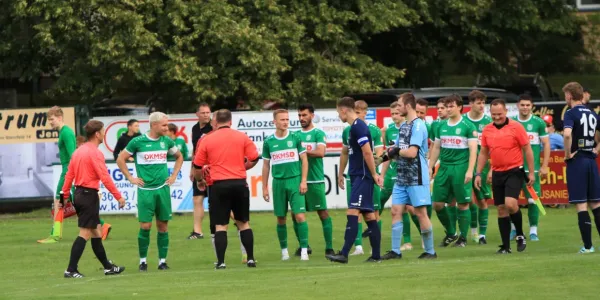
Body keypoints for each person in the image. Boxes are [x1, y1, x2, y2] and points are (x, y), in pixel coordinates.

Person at [116, 112, 184, 271]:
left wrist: (174, 175)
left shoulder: (166, 141)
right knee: (145, 226)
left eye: (167, 125)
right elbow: (121, 158)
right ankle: (143, 261)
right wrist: (130, 178)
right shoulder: (138, 141)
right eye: (164, 125)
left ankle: (162, 261)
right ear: (154, 125)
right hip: (145, 191)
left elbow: (179, 157)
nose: (167, 128)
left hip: (163, 190)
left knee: (163, 226)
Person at [194, 109, 259, 269]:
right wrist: (242, 167)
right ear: (230, 121)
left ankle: (221, 262)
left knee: (220, 226)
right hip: (239, 183)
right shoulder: (242, 136)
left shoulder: (207, 140)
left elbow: (197, 166)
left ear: (215, 123)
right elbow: (254, 158)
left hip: (219, 185)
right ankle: (250, 259)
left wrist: (200, 180)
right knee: (243, 223)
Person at [38, 106, 112, 244]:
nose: (50, 122)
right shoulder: (64, 132)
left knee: (59, 201)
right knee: (77, 205)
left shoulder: (66, 133)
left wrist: (72, 174)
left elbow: (74, 155)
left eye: (52, 119)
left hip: (68, 170)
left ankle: (55, 235)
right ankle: (103, 226)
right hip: (67, 170)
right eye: (49, 120)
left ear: (60, 118)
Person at [61, 120, 125, 278]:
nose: (104, 134)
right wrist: (118, 196)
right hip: (89, 196)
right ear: (97, 134)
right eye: (103, 131)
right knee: (84, 233)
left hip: (79, 194)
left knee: (97, 231)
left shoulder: (78, 151)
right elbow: (104, 177)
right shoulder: (95, 153)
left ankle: (108, 267)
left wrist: (65, 194)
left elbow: (69, 175)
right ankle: (70, 269)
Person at [327, 97, 383, 264]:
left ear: (344, 110)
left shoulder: (359, 127)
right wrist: (341, 173)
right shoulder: (353, 128)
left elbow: (367, 152)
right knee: (369, 216)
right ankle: (376, 256)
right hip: (358, 175)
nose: (338, 116)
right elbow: (348, 152)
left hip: (363, 176)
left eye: (338, 112)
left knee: (353, 211)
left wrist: (373, 174)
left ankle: (344, 253)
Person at [382, 93, 437, 260]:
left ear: (407, 106)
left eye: (399, 105)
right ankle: (395, 251)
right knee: (396, 211)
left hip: (416, 177)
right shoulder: (404, 126)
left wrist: (396, 152)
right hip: (402, 177)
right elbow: (393, 150)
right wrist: (377, 161)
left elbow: (412, 153)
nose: (397, 108)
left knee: (420, 213)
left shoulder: (418, 126)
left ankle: (430, 251)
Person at [475, 98, 533, 254]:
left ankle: (520, 234)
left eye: (499, 114)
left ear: (506, 111)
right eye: (493, 114)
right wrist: (479, 173)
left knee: (510, 204)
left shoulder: (516, 127)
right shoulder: (487, 129)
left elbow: (527, 149)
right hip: (497, 172)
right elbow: (483, 153)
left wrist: (531, 172)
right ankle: (506, 247)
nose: (496, 117)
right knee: (501, 209)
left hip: (515, 171)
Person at [428, 95, 478, 247]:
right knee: (437, 204)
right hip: (444, 168)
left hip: (460, 168)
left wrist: (470, 171)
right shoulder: (440, 126)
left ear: (460, 107)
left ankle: (463, 238)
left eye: (451, 106)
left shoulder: (468, 126)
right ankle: (451, 232)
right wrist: (430, 166)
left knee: (462, 204)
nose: (448, 109)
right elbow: (436, 147)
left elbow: (473, 150)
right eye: (446, 106)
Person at [262, 109, 310, 261]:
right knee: (281, 218)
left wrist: (303, 180)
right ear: (274, 122)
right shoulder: (269, 141)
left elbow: (304, 160)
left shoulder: (295, 137)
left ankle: (303, 250)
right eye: (282, 120)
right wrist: (264, 187)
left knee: (300, 216)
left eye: (287, 120)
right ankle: (284, 251)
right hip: (278, 183)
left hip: (295, 181)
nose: (285, 122)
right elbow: (265, 166)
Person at [290, 103, 334, 256]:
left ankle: (329, 247)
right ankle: (305, 246)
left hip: (315, 180)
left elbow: (321, 152)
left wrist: (302, 152)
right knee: (295, 214)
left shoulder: (318, 133)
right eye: (299, 116)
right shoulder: (294, 135)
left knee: (322, 213)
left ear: (312, 115)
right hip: (298, 180)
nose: (301, 118)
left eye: (304, 115)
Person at [561, 82, 600, 254]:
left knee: (581, 204)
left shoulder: (570, 113)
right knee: (596, 203)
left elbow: (568, 134)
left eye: (565, 96)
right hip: (591, 161)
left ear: (569, 95)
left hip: (578, 161)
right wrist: (596, 149)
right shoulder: (592, 113)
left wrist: (568, 153)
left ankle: (588, 246)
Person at [511, 94, 550, 241]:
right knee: (511, 201)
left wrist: (545, 165)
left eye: (528, 105)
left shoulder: (539, 123)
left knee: (533, 200)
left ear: (532, 106)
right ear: (518, 105)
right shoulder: (511, 122)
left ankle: (533, 231)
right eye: (523, 105)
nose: (525, 107)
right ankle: (514, 230)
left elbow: (546, 144)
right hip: (513, 168)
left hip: (531, 169)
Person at [463, 90, 493, 244]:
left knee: (482, 201)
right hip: (465, 165)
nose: (482, 106)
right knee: (467, 201)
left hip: (483, 166)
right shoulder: (463, 121)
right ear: (471, 104)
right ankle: (472, 232)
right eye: (479, 103)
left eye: (483, 103)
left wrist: (492, 169)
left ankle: (482, 235)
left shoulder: (488, 122)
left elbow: (494, 147)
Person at [188, 103, 213, 239]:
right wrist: (192, 168)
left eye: (208, 113)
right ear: (197, 114)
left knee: (216, 201)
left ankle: (240, 223)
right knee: (197, 199)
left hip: (211, 168)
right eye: (203, 113)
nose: (206, 115)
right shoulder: (195, 128)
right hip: (198, 168)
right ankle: (197, 232)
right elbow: (195, 149)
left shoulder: (213, 128)